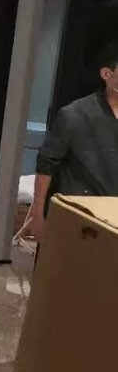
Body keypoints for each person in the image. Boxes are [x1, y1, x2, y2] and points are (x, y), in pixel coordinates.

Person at [29, 42, 118, 242]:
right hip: (80, 218)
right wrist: (37, 213)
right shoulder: (74, 115)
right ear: (107, 74)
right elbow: (46, 163)